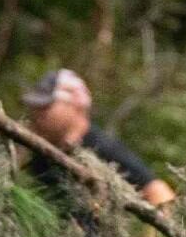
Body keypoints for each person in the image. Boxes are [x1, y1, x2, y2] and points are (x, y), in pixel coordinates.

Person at [36, 66, 174, 211]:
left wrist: (149, 233)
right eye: (36, 107)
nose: (37, 114)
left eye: (46, 107)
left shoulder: (101, 147)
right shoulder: (41, 151)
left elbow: (160, 193)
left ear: (74, 107)